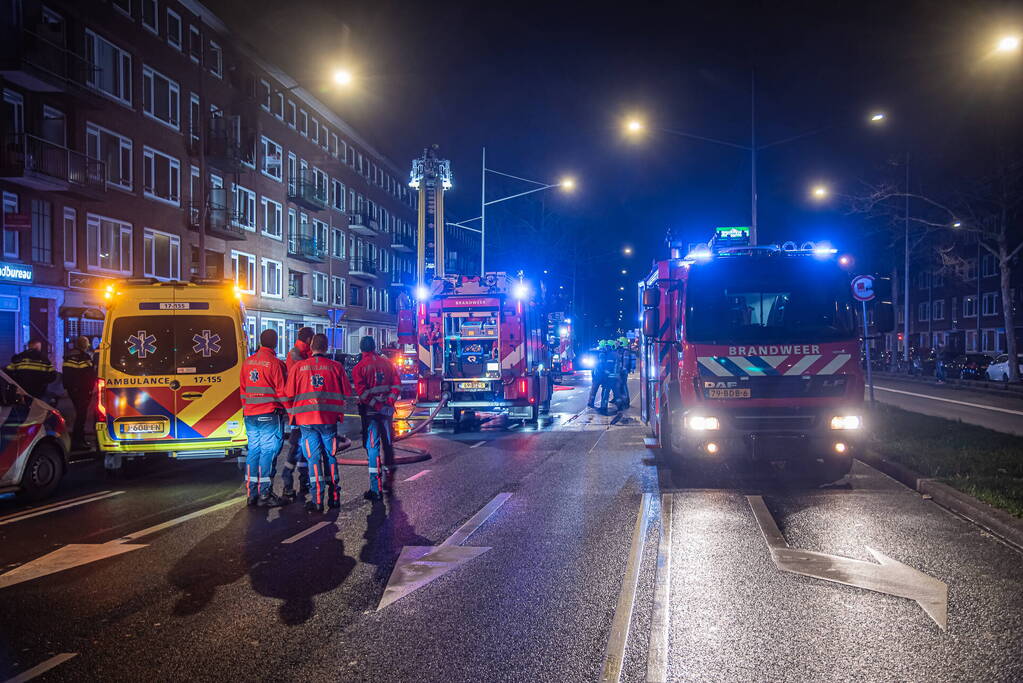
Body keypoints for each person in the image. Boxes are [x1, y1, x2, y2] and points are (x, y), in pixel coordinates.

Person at [284, 333, 352, 513]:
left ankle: (317, 500)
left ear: (311, 346)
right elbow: (347, 391)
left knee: (313, 458)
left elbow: (289, 393)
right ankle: (334, 496)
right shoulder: (336, 367)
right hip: (328, 420)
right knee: (330, 456)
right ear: (327, 347)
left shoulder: (299, 367)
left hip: (306, 421)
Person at [239, 329, 289, 507]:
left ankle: (251, 493)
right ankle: (265, 494)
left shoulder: (247, 363)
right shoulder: (275, 364)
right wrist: (290, 411)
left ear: (260, 342)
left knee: (254, 451)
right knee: (268, 452)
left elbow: (243, 390)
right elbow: (282, 392)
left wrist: (248, 408)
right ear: (275, 343)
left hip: (250, 414)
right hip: (268, 414)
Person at [352, 335, 402, 500]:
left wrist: (376, 405)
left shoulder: (359, 367)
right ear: (374, 347)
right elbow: (396, 385)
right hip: (386, 413)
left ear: (361, 349)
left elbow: (362, 392)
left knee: (372, 447)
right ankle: (390, 481)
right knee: (388, 445)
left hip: (371, 413)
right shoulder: (387, 363)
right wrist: (388, 402)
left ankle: (376, 488)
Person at [281, 326, 314, 501]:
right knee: (297, 444)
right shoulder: (296, 355)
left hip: (303, 408)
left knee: (302, 445)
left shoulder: (302, 353)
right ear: (309, 340)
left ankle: (303, 480)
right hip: (299, 408)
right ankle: (288, 478)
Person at [61, 336, 97, 450]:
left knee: (80, 414)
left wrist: (69, 387)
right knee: (81, 415)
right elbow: (89, 374)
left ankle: (77, 440)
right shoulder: (84, 357)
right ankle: (78, 441)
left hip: (73, 390)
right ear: (84, 345)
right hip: (82, 390)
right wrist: (90, 387)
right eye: (87, 344)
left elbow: (66, 374)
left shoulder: (68, 356)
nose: (88, 346)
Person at [598, 341, 620, 414]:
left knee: (605, 392)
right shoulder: (615, 354)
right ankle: (620, 406)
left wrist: (604, 374)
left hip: (607, 377)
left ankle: (603, 407)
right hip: (614, 377)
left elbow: (601, 366)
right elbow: (617, 366)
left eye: (607, 346)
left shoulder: (604, 354)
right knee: (616, 393)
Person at [587, 340, 608, 409]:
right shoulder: (603, 354)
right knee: (604, 390)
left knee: (593, 390)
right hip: (601, 375)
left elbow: (593, 366)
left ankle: (590, 402)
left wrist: (593, 375)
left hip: (596, 375)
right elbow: (602, 365)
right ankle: (603, 405)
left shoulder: (596, 353)